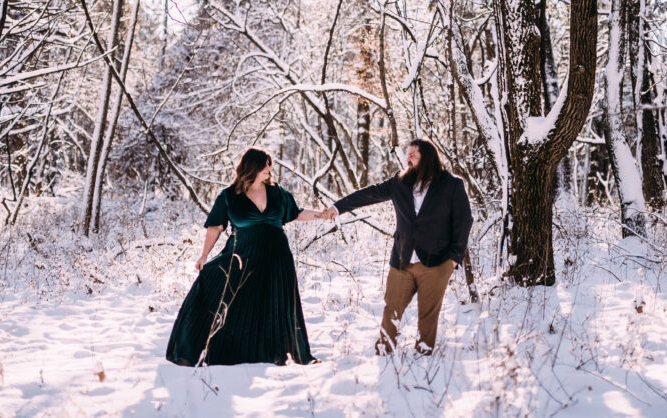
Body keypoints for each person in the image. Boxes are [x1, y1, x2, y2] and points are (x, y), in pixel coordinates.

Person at [166, 148, 325, 366]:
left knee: (277, 303)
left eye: (270, 167)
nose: (270, 171)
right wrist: (204, 255)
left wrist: (321, 215)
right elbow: (216, 227)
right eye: (265, 167)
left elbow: (296, 213)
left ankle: (288, 354)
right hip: (243, 254)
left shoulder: (279, 193)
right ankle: (225, 351)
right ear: (253, 168)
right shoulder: (229, 196)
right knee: (238, 303)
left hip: (277, 257)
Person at [322, 139, 472, 355]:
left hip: (437, 260)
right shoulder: (400, 182)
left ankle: (424, 355)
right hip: (402, 258)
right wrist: (337, 208)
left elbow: (464, 221)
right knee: (392, 307)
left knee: (428, 313)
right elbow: (369, 194)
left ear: (428, 157)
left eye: (413, 154)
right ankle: (384, 351)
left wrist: (453, 258)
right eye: (408, 153)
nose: (408, 158)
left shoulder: (452, 185)